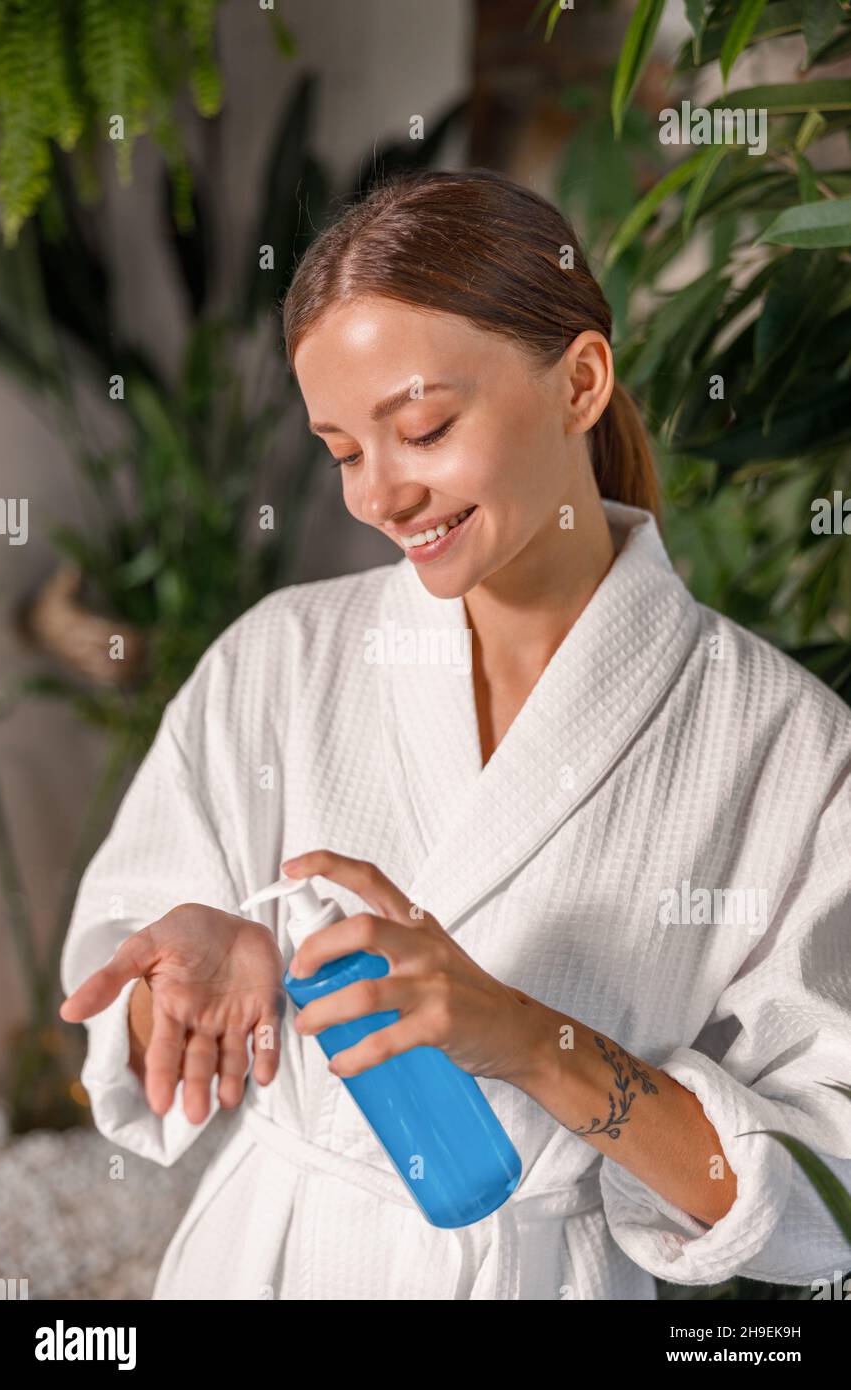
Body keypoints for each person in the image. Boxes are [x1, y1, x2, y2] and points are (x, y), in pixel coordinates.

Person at [60, 168, 851, 1301]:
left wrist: (528, 1039)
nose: (379, 494)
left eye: (421, 427)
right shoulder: (277, 659)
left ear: (579, 382)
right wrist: (189, 983)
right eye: (342, 451)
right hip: (274, 1260)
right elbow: (128, 1040)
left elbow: (820, 1199)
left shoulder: (785, 745)